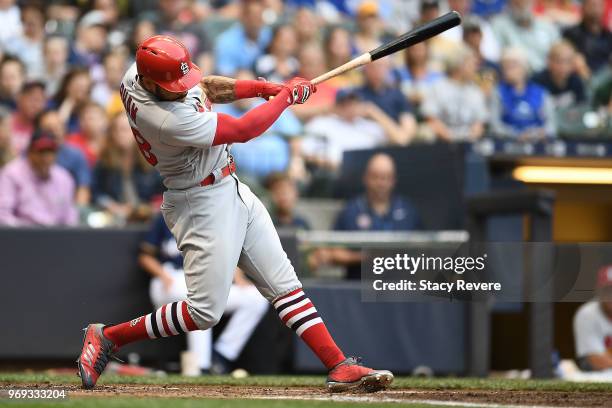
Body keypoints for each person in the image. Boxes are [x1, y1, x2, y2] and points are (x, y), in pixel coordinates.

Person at [76, 34, 393, 392]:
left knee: (285, 285)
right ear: (151, 83)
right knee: (204, 312)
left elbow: (207, 87)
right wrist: (287, 98)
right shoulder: (167, 121)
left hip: (230, 185)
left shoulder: (139, 73)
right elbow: (243, 130)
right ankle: (108, 337)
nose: (182, 90)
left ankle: (339, 365)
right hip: (199, 203)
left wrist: (264, 88)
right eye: (173, 86)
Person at [139, 213, 269, 374]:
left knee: (255, 298)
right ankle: (201, 365)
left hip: (202, 280)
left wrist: (237, 277)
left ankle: (221, 355)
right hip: (171, 279)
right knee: (200, 299)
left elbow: (226, 254)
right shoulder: (167, 215)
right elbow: (145, 256)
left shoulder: (212, 217)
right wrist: (163, 275)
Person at [309, 153, 422, 280]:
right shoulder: (351, 211)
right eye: (376, 177)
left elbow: (426, 250)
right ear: (366, 178)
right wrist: (365, 257)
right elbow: (331, 252)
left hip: (401, 288)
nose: (381, 183)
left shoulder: (408, 211)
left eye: (386, 177)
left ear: (393, 180)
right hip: (359, 288)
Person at [91, 113, 164, 224]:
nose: (120, 134)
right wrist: (112, 206)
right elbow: (95, 192)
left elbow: (165, 193)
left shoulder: (152, 160)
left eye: (125, 130)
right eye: (116, 130)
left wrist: (148, 208)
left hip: (149, 219)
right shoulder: (104, 162)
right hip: (115, 218)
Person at [301, 89, 396, 170]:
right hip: (331, 172)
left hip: (365, 173)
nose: (350, 107)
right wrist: (322, 161)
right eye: (345, 103)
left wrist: (373, 112)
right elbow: (303, 150)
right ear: (337, 105)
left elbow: (400, 140)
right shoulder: (321, 123)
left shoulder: (369, 126)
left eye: (353, 102)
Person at [0, 129, 77, 226]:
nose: (46, 157)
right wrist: (27, 230)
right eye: (41, 152)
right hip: (22, 236)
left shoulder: (64, 178)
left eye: (50, 152)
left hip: (57, 236)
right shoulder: (11, 174)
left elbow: (69, 217)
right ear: (29, 153)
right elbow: (3, 215)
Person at [421, 46, 488, 142]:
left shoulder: (476, 91)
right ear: (460, 65)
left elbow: (480, 123)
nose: (475, 68)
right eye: (472, 64)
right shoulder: (438, 87)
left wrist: (470, 138)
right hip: (441, 144)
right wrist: (450, 139)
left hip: (468, 145)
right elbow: (431, 119)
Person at [490, 48, 557, 140]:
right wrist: (516, 135)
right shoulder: (498, 92)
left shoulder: (541, 92)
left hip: (538, 145)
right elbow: (495, 126)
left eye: (512, 66)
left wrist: (539, 133)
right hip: (508, 145)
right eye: (505, 67)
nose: (507, 71)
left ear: (524, 68)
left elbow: (552, 126)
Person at [37, 109, 91, 206]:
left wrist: (79, 211)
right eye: (49, 129)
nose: (55, 132)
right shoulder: (33, 155)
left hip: (67, 208)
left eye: (59, 127)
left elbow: (83, 188)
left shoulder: (75, 154)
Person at [356, 58, 416, 145]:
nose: (376, 70)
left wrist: (373, 112)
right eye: (372, 66)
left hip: (393, 145)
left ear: (388, 68)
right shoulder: (356, 95)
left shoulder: (397, 95)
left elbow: (405, 136)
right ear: (365, 69)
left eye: (380, 66)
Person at [491, 0, 560, 72]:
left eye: (525, 2)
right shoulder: (498, 25)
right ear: (509, 3)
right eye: (517, 3)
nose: (522, 4)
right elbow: (496, 55)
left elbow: (559, 52)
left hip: (548, 74)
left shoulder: (546, 25)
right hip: (518, 76)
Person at [214, 0, 272, 76]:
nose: (258, 20)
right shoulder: (227, 41)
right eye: (254, 16)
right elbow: (224, 74)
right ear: (243, 17)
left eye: (260, 16)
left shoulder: (267, 34)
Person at [573, 265, 612, 371]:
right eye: (608, 290)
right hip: (599, 379)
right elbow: (595, 360)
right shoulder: (587, 314)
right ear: (599, 290)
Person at [532, 41, 586, 110]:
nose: (564, 66)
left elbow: (583, 106)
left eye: (568, 61)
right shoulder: (537, 82)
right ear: (549, 62)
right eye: (559, 61)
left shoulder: (576, 80)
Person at [562, 0, 612, 75]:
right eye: (592, 5)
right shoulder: (571, 34)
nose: (595, 9)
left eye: (599, 6)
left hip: (606, 78)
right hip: (581, 78)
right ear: (583, 7)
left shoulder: (608, 36)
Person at [3, 2, 45, 79]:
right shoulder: (13, 43)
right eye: (27, 20)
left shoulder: (50, 40)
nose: (32, 21)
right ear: (23, 21)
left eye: (35, 18)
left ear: (41, 19)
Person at [66, 102, 109, 167]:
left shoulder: (112, 142)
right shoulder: (72, 141)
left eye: (91, 118)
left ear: (105, 121)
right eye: (83, 119)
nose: (87, 122)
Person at [8, 81, 46, 155]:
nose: (36, 105)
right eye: (34, 99)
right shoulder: (5, 122)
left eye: (41, 101)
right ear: (20, 98)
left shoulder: (43, 126)